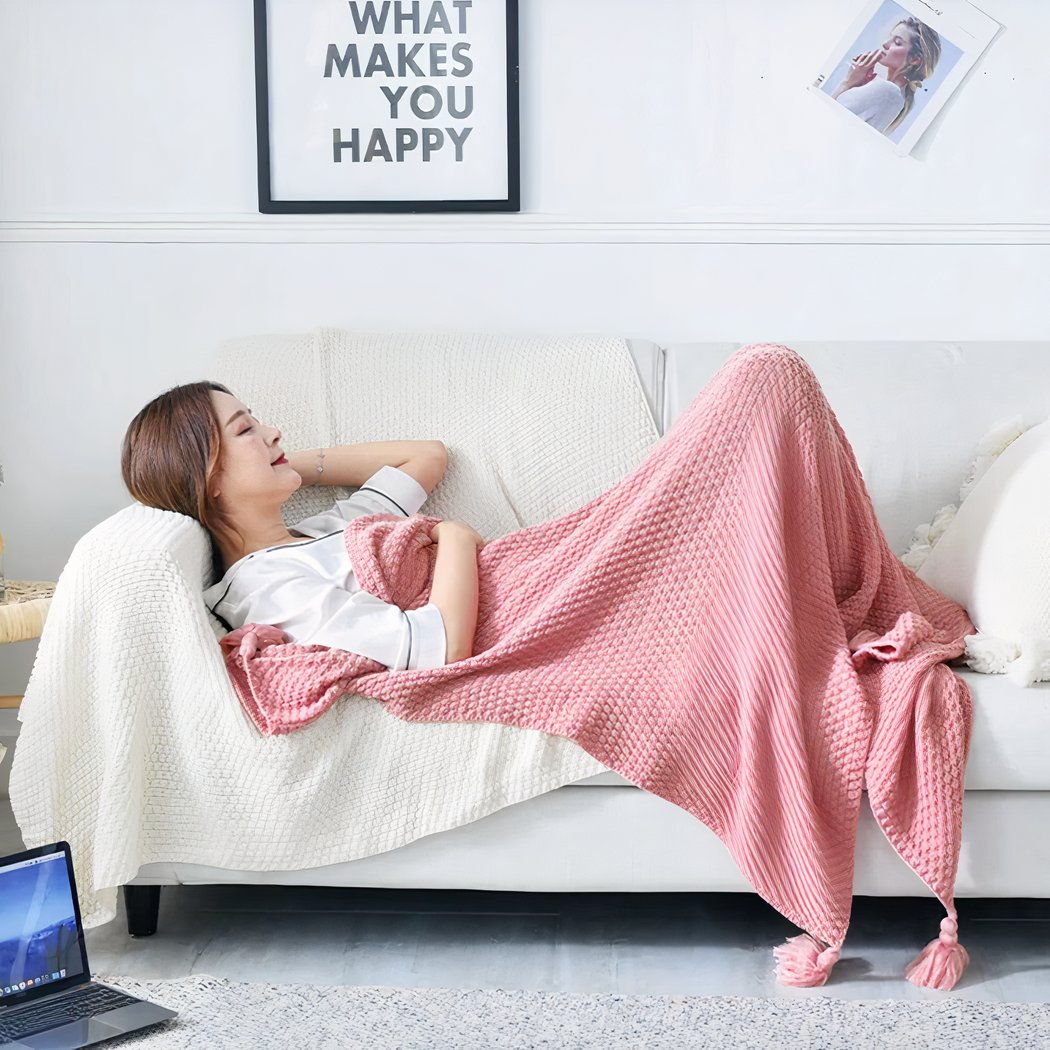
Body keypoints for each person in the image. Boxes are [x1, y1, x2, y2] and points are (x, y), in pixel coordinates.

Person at [121, 381, 485, 672]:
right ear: (207, 478)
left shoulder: (328, 529)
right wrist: (455, 536)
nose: (274, 431)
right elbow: (442, 649)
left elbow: (427, 457)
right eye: (246, 428)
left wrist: (279, 464)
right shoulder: (267, 589)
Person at [831, 17, 942, 135]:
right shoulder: (895, 96)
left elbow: (827, 114)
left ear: (915, 59)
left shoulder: (888, 90)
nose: (885, 44)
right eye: (890, 37)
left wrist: (848, 82)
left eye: (897, 42)